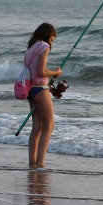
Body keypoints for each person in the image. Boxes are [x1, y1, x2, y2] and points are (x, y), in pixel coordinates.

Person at [24, 22, 62, 169]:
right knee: (49, 125)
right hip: (40, 89)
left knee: (37, 127)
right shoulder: (44, 47)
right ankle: (40, 163)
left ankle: (32, 163)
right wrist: (56, 72)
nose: (52, 42)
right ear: (48, 35)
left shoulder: (31, 48)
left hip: (30, 90)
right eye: (52, 39)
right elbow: (41, 72)